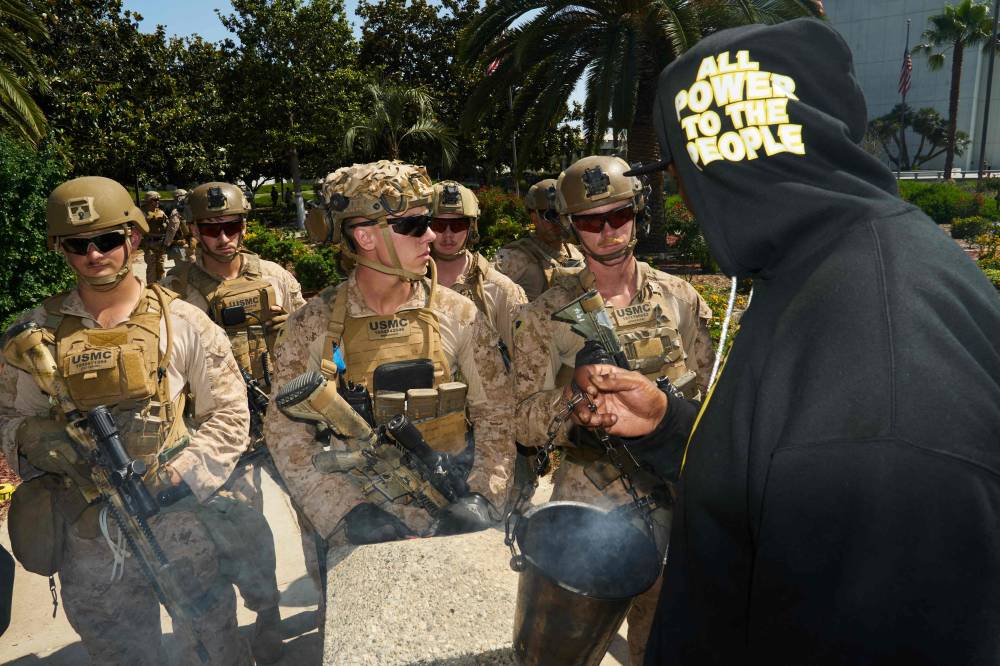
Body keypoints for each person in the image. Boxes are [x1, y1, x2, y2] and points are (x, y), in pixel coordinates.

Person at [569, 19, 1000, 664]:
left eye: (672, 169)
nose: (682, 198)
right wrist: (669, 425)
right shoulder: (828, 269)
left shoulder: (880, 337)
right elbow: (792, 462)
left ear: (713, 164)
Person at [0, 176, 253, 664]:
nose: (95, 254)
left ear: (133, 237)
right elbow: (10, 418)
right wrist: (41, 444)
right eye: (78, 244)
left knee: (216, 650)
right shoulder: (38, 334)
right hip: (89, 537)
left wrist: (182, 474)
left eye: (108, 240)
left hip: (178, 525)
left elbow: (228, 412)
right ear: (60, 247)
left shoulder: (180, 320)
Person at [263, 160, 514, 605]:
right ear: (365, 236)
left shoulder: (458, 316)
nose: (433, 236)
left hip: (451, 515)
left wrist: (480, 499)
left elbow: (496, 415)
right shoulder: (311, 328)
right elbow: (286, 438)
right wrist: (349, 513)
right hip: (360, 533)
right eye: (415, 225)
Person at [512, 154, 712, 666]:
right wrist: (573, 402)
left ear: (638, 212)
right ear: (571, 225)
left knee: (661, 645)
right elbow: (523, 420)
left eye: (618, 215)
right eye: (590, 221)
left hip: (671, 498)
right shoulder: (544, 315)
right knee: (561, 650)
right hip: (590, 504)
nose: (607, 231)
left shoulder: (680, 298)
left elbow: (710, 400)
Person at [161, 181, 307, 662]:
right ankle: (267, 613)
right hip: (222, 431)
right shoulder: (175, 292)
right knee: (244, 532)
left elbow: (307, 337)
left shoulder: (275, 278)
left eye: (232, 227)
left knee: (320, 516)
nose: (223, 238)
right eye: (211, 229)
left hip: (287, 417)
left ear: (245, 225)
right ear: (196, 232)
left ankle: (343, 599)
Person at [430, 180, 527, 352]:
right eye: (438, 225)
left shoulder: (500, 291)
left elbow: (524, 358)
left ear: (471, 227)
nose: (448, 234)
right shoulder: (409, 286)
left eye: (458, 225)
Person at [495, 178, 584, 300]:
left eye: (562, 214)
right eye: (550, 215)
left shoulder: (574, 252)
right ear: (534, 218)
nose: (558, 221)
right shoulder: (514, 258)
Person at [140, 190, 169, 284]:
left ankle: (161, 286)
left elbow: (168, 225)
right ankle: (151, 288)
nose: (158, 202)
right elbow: (139, 228)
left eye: (158, 200)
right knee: (152, 268)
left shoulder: (161, 212)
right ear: (149, 201)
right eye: (155, 200)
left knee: (160, 266)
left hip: (160, 243)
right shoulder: (143, 213)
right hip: (150, 244)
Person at [166, 188, 193, 263]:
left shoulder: (177, 211)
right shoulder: (191, 209)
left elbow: (172, 229)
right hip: (189, 243)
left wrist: (167, 243)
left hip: (183, 244)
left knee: (182, 267)